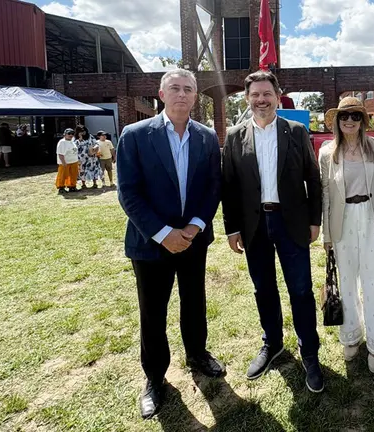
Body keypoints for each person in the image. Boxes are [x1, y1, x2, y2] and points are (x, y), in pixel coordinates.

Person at [116, 69, 224, 419]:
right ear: (161, 94)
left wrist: (192, 228)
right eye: (174, 88)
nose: (181, 94)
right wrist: (164, 234)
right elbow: (128, 193)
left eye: (188, 89)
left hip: (193, 239)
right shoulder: (134, 136)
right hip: (151, 244)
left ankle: (197, 354)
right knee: (153, 312)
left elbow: (212, 187)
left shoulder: (207, 137)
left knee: (194, 301)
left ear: (195, 97)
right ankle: (154, 377)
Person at [222, 70, 324, 392]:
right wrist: (232, 228)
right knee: (263, 290)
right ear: (247, 98)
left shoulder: (296, 131)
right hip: (254, 227)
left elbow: (314, 179)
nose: (261, 100)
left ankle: (309, 352)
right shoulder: (235, 136)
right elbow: (229, 187)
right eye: (255, 95)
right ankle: (273, 343)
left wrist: (315, 220)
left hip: (291, 223)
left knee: (301, 291)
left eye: (267, 93)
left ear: (277, 96)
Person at [319, 97, 374, 373]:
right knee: (347, 281)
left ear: (363, 120)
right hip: (342, 219)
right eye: (344, 116)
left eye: (355, 115)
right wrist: (326, 234)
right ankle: (351, 335)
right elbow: (326, 193)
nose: (349, 120)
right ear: (337, 121)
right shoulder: (328, 152)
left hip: (372, 218)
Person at [55, 128, 79, 193]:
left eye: (72, 134)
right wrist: (63, 162)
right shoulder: (62, 142)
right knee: (63, 175)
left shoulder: (72, 141)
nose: (71, 135)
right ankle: (61, 187)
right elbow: (60, 153)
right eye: (69, 133)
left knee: (73, 175)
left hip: (74, 161)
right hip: (65, 162)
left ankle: (72, 186)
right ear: (65, 134)